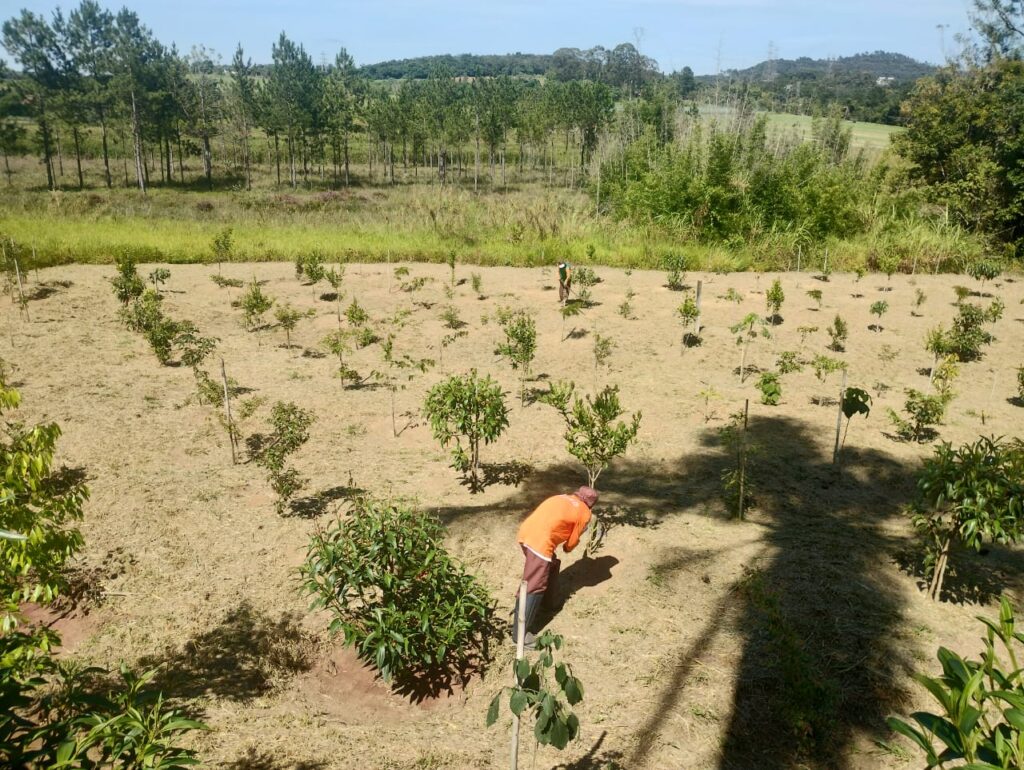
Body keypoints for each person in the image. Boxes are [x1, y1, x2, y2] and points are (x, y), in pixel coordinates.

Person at [512, 486, 597, 646]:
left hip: (525, 532)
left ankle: (547, 604)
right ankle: (520, 635)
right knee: (534, 584)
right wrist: (572, 541)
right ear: (591, 504)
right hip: (540, 544)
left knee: (551, 565)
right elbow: (569, 545)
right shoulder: (584, 512)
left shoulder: (562, 497)